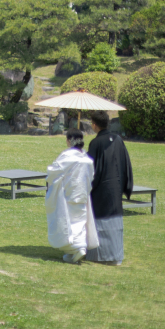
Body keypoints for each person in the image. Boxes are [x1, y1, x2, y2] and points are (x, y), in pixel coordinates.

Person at [85, 111, 133, 266]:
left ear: (94, 124)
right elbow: (125, 164)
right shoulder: (118, 139)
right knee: (115, 221)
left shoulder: (96, 143)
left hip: (101, 188)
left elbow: (90, 169)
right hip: (116, 186)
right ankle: (116, 254)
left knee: (101, 221)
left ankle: (99, 255)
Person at [45, 128, 98, 263]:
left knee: (68, 222)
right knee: (79, 221)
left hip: (68, 194)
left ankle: (77, 247)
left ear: (69, 140)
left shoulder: (67, 156)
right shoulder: (87, 159)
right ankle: (73, 251)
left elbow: (53, 171)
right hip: (82, 194)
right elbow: (91, 176)